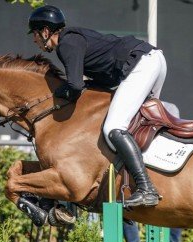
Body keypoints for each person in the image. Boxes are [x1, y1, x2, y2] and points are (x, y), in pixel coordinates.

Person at [28, 5, 166, 208]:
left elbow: (75, 86)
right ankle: (132, 183)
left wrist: (54, 95)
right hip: (152, 60)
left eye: (35, 34)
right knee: (137, 125)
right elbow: (90, 84)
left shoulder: (67, 44)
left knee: (114, 128)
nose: (34, 40)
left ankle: (147, 188)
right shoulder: (73, 40)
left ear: (46, 31)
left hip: (141, 64)